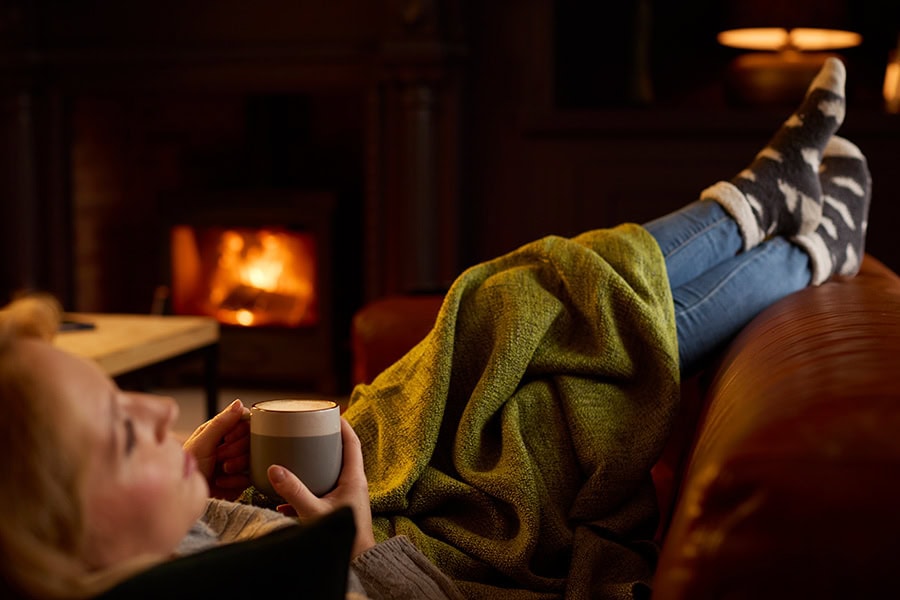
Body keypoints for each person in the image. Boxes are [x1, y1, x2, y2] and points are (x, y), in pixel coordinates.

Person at [0, 57, 871, 599]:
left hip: (377, 482)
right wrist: (354, 542)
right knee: (555, 376)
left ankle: (789, 232)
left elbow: (190, 533)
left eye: (125, 398)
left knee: (505, 307)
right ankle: (775, 224)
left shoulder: (155, 545)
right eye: (122, 436)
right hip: (421, 541)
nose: (160, 413)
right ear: (72, 551)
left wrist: (192, 481)